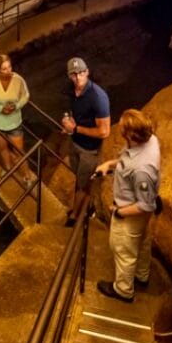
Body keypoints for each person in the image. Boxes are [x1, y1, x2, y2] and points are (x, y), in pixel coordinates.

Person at [93, 109, 162, 303]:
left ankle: (123, 290)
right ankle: (142, 275)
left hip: (132, 212)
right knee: (143, 241)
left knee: (123, 250)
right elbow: (129, 159)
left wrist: (120, 212)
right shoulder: (151, 141)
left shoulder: (142, 170)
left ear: (131, 135)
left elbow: (146, 205)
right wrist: (110, 165)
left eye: (124, 129)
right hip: (140, 212)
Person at [60, 57, 110, 227]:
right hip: (75, 143)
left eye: (81, 73)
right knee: (81, 179)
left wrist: (76, 129)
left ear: (87, 72)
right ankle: (87, 207)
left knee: (82, 183)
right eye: (74, 74)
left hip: (89, 149)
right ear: (69, 76)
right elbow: (70, 109)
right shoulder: (71, 90)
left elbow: (104, 131)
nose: (78, 77)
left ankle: (75, 216)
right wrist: (67, 121)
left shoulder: (98, 97)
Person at [0, 54, 30, 182]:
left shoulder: (18, 80)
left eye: (9, 67)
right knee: (3, 148)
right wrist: (0, 109)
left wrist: (16, 106)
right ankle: (8, 169)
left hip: (14, 123)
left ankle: (27, 176)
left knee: (19, 151)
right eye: (4, 68)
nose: (8, 70)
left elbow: (25, 96)